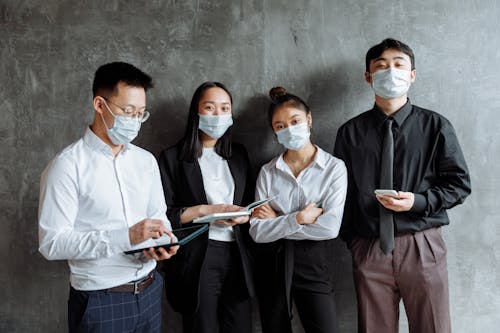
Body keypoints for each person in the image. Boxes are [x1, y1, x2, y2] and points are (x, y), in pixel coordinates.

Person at [334, 38, 471, 333]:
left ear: (412, 74)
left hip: (422, 243)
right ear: (368, 76)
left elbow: (459, 184)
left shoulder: (436, 126)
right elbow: (341, 194)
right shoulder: (350, 133)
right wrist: (355, 243)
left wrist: (418, 202)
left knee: (432, 327)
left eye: (399, 65)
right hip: (369, 245)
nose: (390, 72)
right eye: (381, 66)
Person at [38, 62, 178, 333]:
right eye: (127, 111)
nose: (135, 121)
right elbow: (52, 243)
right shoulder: (67, 166)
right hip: (100, 299)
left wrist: (165, 240)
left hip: (150, 290)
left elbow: (158, 216)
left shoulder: (145, 161)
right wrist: (126, 237)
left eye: (140, 113)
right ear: (100, 105)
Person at [158, 81, 255, 333]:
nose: (218, 115)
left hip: (237, 254)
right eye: (210, 107)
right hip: (198, 257)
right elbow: (164, 215)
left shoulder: (239, 155)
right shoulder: (172, 158)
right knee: (202, 327)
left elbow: (250, 205)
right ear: (196, 112)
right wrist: (205, 211)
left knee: (240, 326)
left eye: (225, 108)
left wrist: (244, 217)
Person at [250, 87, 347, 333]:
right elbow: (258, 233)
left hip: (314, 261)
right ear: (274, 130)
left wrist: (279, 221)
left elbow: (329, 228)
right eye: (280, 125)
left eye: (295, 121)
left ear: (309, 120)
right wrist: (300, 218)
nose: (289, 129)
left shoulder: (334, 168)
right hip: (272, 262)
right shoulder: (267, 172)